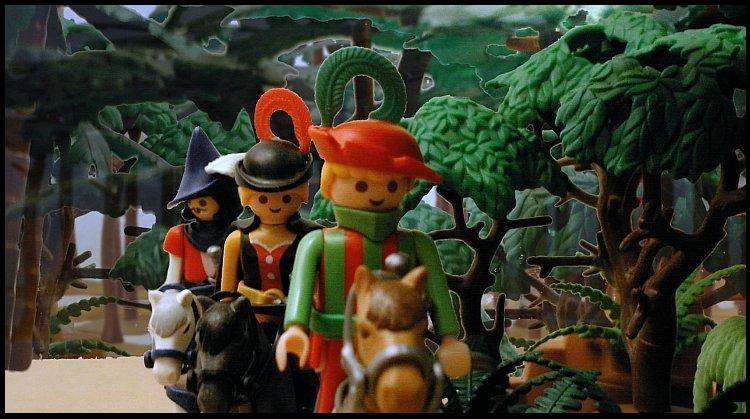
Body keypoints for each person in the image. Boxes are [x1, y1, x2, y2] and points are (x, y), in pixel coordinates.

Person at [276, 120, 472, 413]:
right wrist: (295, 327)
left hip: (401, 344)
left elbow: (438, 294)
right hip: (336, 345)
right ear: (330, 183)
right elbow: (301, 290)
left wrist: (448, 339)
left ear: (406, 186)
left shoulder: (416, 243)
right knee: (330, 401)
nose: (377, 194)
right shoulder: (318, 243)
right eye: (361, 185)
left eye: (391, 184)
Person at [162, 127, 242, 289]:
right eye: (190, 203)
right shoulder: (179, 236)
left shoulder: (239, 235)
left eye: (203, 202)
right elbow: (172, 280)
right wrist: (168, 294)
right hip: (189, 298)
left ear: (222, 198)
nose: (196, 208)